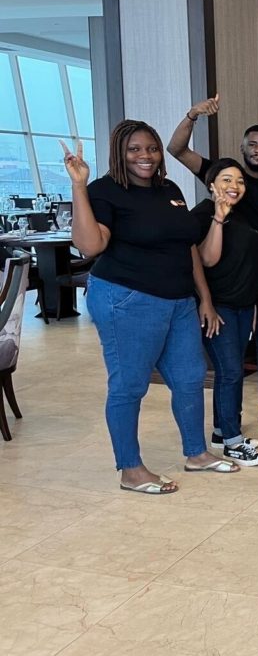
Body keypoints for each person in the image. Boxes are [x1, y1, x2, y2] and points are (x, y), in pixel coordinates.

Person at [61, 123, 238, 494]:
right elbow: (90, 246)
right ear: (119, 153)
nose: (145, 156)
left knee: (190, 378)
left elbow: (187, 248)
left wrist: (204, 298)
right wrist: (78, 185)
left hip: (179, 302)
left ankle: (196, 453)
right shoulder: (104, 191)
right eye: (135, 149)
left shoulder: (169, 190)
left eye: (152, 148)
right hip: (127, 300)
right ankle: (130, 469)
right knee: (129, 385)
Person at [168, 95, 258, 430]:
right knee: (233, 355)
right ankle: (227, 426)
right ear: (242, 148)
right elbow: (176, 150)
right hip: (230, 279)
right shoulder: (224, 176)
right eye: (252, 144)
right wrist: (193, 115)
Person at [193, 159, 258, 466]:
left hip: (242, 307)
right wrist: (218, 219)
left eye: (239, 181)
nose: (234, 186)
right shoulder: (203, 214)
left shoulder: (242, 214)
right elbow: (206, 260)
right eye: (226, 179)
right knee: (231, 372)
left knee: (231, 370)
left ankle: (221, 432)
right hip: (219, 307)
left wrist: (252, 304)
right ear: (211, 184)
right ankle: (234, 443)